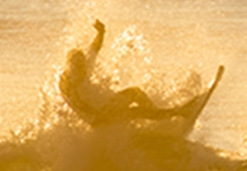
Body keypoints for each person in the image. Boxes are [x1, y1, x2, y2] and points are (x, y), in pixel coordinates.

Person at [59, 20, 200, 126]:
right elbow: (81, 107)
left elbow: (94, 48)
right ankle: (178, 112)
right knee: (134, 112)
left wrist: (101, 32)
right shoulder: (68, 85)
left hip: (103, 109)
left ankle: (157, 118)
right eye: (78, 66)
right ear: (71, 66)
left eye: (83, 64)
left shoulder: (84, 63)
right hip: (97, 119)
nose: (83, 68)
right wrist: (108, 115)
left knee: (135, 93)